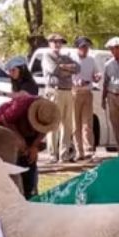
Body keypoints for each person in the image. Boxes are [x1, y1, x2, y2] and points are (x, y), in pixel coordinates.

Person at [0, 94, 61, 199]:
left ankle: (30, 193)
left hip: (27, 133)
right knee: (14, 163)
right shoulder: (22, 104)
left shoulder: (49, 112)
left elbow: (44, 130)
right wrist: (19, 139)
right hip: (4, 127)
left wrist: (34, 146)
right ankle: (10, 195)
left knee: (30, 159)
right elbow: (4, 119)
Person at [41, 33, 79, 162]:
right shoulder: (47, 56)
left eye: (60, 42)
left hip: (68, 91)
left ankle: (64, 154)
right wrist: (66, 69)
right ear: (50, 43)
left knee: (67, 124)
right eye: (55, 42)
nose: (57, 44)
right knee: (53, 124)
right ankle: (52, 154)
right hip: (54, 91)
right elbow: (55, 70)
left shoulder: (65, 57)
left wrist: (64, 67)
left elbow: (77, 68)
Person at [72, 36, 100, 159]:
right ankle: (79, 151)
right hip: (74, 93)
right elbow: (66, 76)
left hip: (87, 93)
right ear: (78, 47)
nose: (85, 49)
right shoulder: (71, 59)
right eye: (83, 46)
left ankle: (88, 149)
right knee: (75, 123)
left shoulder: (91, 60)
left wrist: (97, 76)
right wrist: (76, 82)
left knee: (87, 123)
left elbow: (96, 73)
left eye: (87, 47)